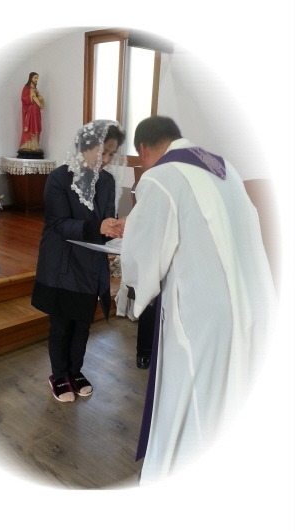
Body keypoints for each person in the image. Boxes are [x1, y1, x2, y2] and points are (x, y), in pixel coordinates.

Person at [119, 116, 277, 482]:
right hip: (252, 302)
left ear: (143, 149)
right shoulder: (226, 169)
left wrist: (130, 289)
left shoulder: (160, 176)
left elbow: (144, 256)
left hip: (201, 318)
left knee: (193, 400)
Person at [31, 120, 126, 402]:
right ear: (86, 147)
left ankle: (75, 371)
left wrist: (115, 228)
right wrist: (98, 227)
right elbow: (58, 223)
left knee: (83, 323)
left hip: (90, 262)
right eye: (103, 152)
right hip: (63, 262)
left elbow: (105, 219)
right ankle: (59, 374)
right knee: (62, 323)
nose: (107, 159)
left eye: (112, 154)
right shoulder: (60, 178)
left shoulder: (107, 181)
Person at [19, 72, 44, 151]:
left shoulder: (35, 89)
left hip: (36, 111)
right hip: (30, 111)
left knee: (36, 126)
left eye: (37, 78)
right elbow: (24, 98)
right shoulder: (26, 88)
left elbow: (40, 100)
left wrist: (40, 99)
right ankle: (28, 146)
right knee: (31, 127)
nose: (36, 79)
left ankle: (35, 146)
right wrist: (32, 97)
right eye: (35, 78)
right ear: (31, 78)